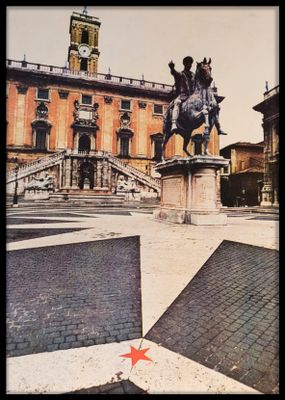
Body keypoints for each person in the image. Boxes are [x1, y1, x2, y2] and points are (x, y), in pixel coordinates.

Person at [168, 56, 195, 133]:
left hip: (192, 97)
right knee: (177, 102)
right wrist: (172, 68)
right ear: (184, 64)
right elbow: (174, 73)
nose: (189, 65)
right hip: (183, 96)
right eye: (188, 63)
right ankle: (173, 123)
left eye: (190, 63)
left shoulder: (193, 75)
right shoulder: (181, 74)